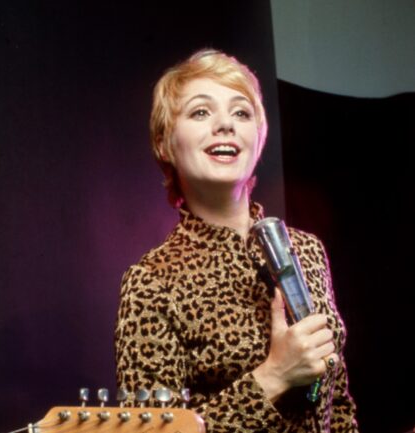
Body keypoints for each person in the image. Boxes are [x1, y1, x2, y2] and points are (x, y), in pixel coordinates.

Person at [114, 50, 358, 432]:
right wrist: (274, 375)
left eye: (241, 113)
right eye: (200, 112)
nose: (225, 124)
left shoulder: (307, 251)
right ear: (165, 144)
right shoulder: (152, 282)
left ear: (258, 139)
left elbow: (337, 404)